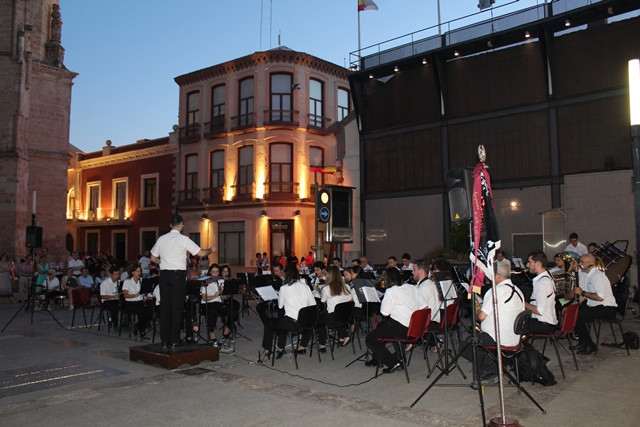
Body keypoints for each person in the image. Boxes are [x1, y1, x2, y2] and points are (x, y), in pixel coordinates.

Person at [150, 214, 212, 350]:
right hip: (178, 275)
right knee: (177, 307)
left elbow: (153, 258)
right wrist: (211, 249)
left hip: (165, 275)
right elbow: (201, 253)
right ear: (182, 226)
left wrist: (164, 262)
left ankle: (165, 340)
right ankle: (174, 339)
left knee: (165, 306)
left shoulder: (162, 239)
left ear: (170, 225)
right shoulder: (184, 239)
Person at [462, 262, 525, 379]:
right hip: (515, 337)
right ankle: (493, 366)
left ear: (499, 276)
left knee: (466, 345)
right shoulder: (518, 290)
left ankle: (494, 368)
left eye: (492, 275)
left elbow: (481, 317)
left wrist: (477, 311)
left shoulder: (496, 291)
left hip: (499, 337)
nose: (489, 278)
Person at [365, 267, 426, 373]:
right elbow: (424, 307)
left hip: (402, 329)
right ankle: (380, 358)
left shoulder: (391, 291)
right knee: (381, 327)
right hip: (416, 328)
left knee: (370, 339)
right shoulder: (411, 287)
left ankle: (394, 362)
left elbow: (385, 313)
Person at [262, 264, 316, 359]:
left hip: (293, 324)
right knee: (282, 322)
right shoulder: (305, 286)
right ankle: (286, 347)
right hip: (306, 322)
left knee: (270, 322)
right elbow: (312, 304)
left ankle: (268, 349)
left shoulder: (284, 288)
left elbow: (280, 306)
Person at [572, 254, 618, 355]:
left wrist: (582, 292)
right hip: (595, 305)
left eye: (582, 262)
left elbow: (600, 297)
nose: (580, 264)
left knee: (578, 316)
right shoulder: (589, 276)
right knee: (574, 314)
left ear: (590, 263)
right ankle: (584, 342)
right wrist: (572, 306)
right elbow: (584, 296)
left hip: (606, 308)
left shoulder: (598, 276)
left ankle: (589, 345)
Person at [318, 266, 354, 350]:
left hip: (334, 318)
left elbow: (323, 301)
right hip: (346, 316)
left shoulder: (326, 288)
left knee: (320, 321)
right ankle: (342, 337)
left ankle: (322, 345)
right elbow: (350, 300)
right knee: (338, 312)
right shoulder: (346, 286)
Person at [524, 250, 558, 334]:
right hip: (549, 321)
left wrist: (522, 302)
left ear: (538, 264)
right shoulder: (547, 277)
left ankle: (525, 347)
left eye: (529, 262)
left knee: (513, 325)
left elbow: (540, 311)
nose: (527, 265)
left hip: (544, 323)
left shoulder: (541, 283)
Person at [201, 264, 231, 347]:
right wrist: (215, 295)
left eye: (217, 272)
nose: (215, 274)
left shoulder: (221, 281)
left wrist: (224, 295)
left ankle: (226, 331)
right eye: (213, 272)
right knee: (212, 311)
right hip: (208, 303)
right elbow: (204, 298)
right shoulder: (206, 281)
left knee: (231, 311)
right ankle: (211, 333)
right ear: (210, 272)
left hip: (218, 302)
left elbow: (225, 294)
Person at [122, 265, 150, 340]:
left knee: (149, 313)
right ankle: (141, 332)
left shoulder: (141, 280)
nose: (139, 273)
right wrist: (135, 295)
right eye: (137, 271)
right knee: (142, 313)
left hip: (140, 301)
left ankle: (138, 327)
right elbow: (125, 295)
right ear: (132, 272)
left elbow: (144, 292)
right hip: (130, 303)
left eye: (140, 271)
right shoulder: (127, 281)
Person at [414, 259, 441, 329]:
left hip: (429, 323)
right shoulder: (432, 283)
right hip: (437, 319)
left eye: (414, 270)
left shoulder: (422, 288)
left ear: (421, 272)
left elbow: (423, 311)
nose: (412, 272)